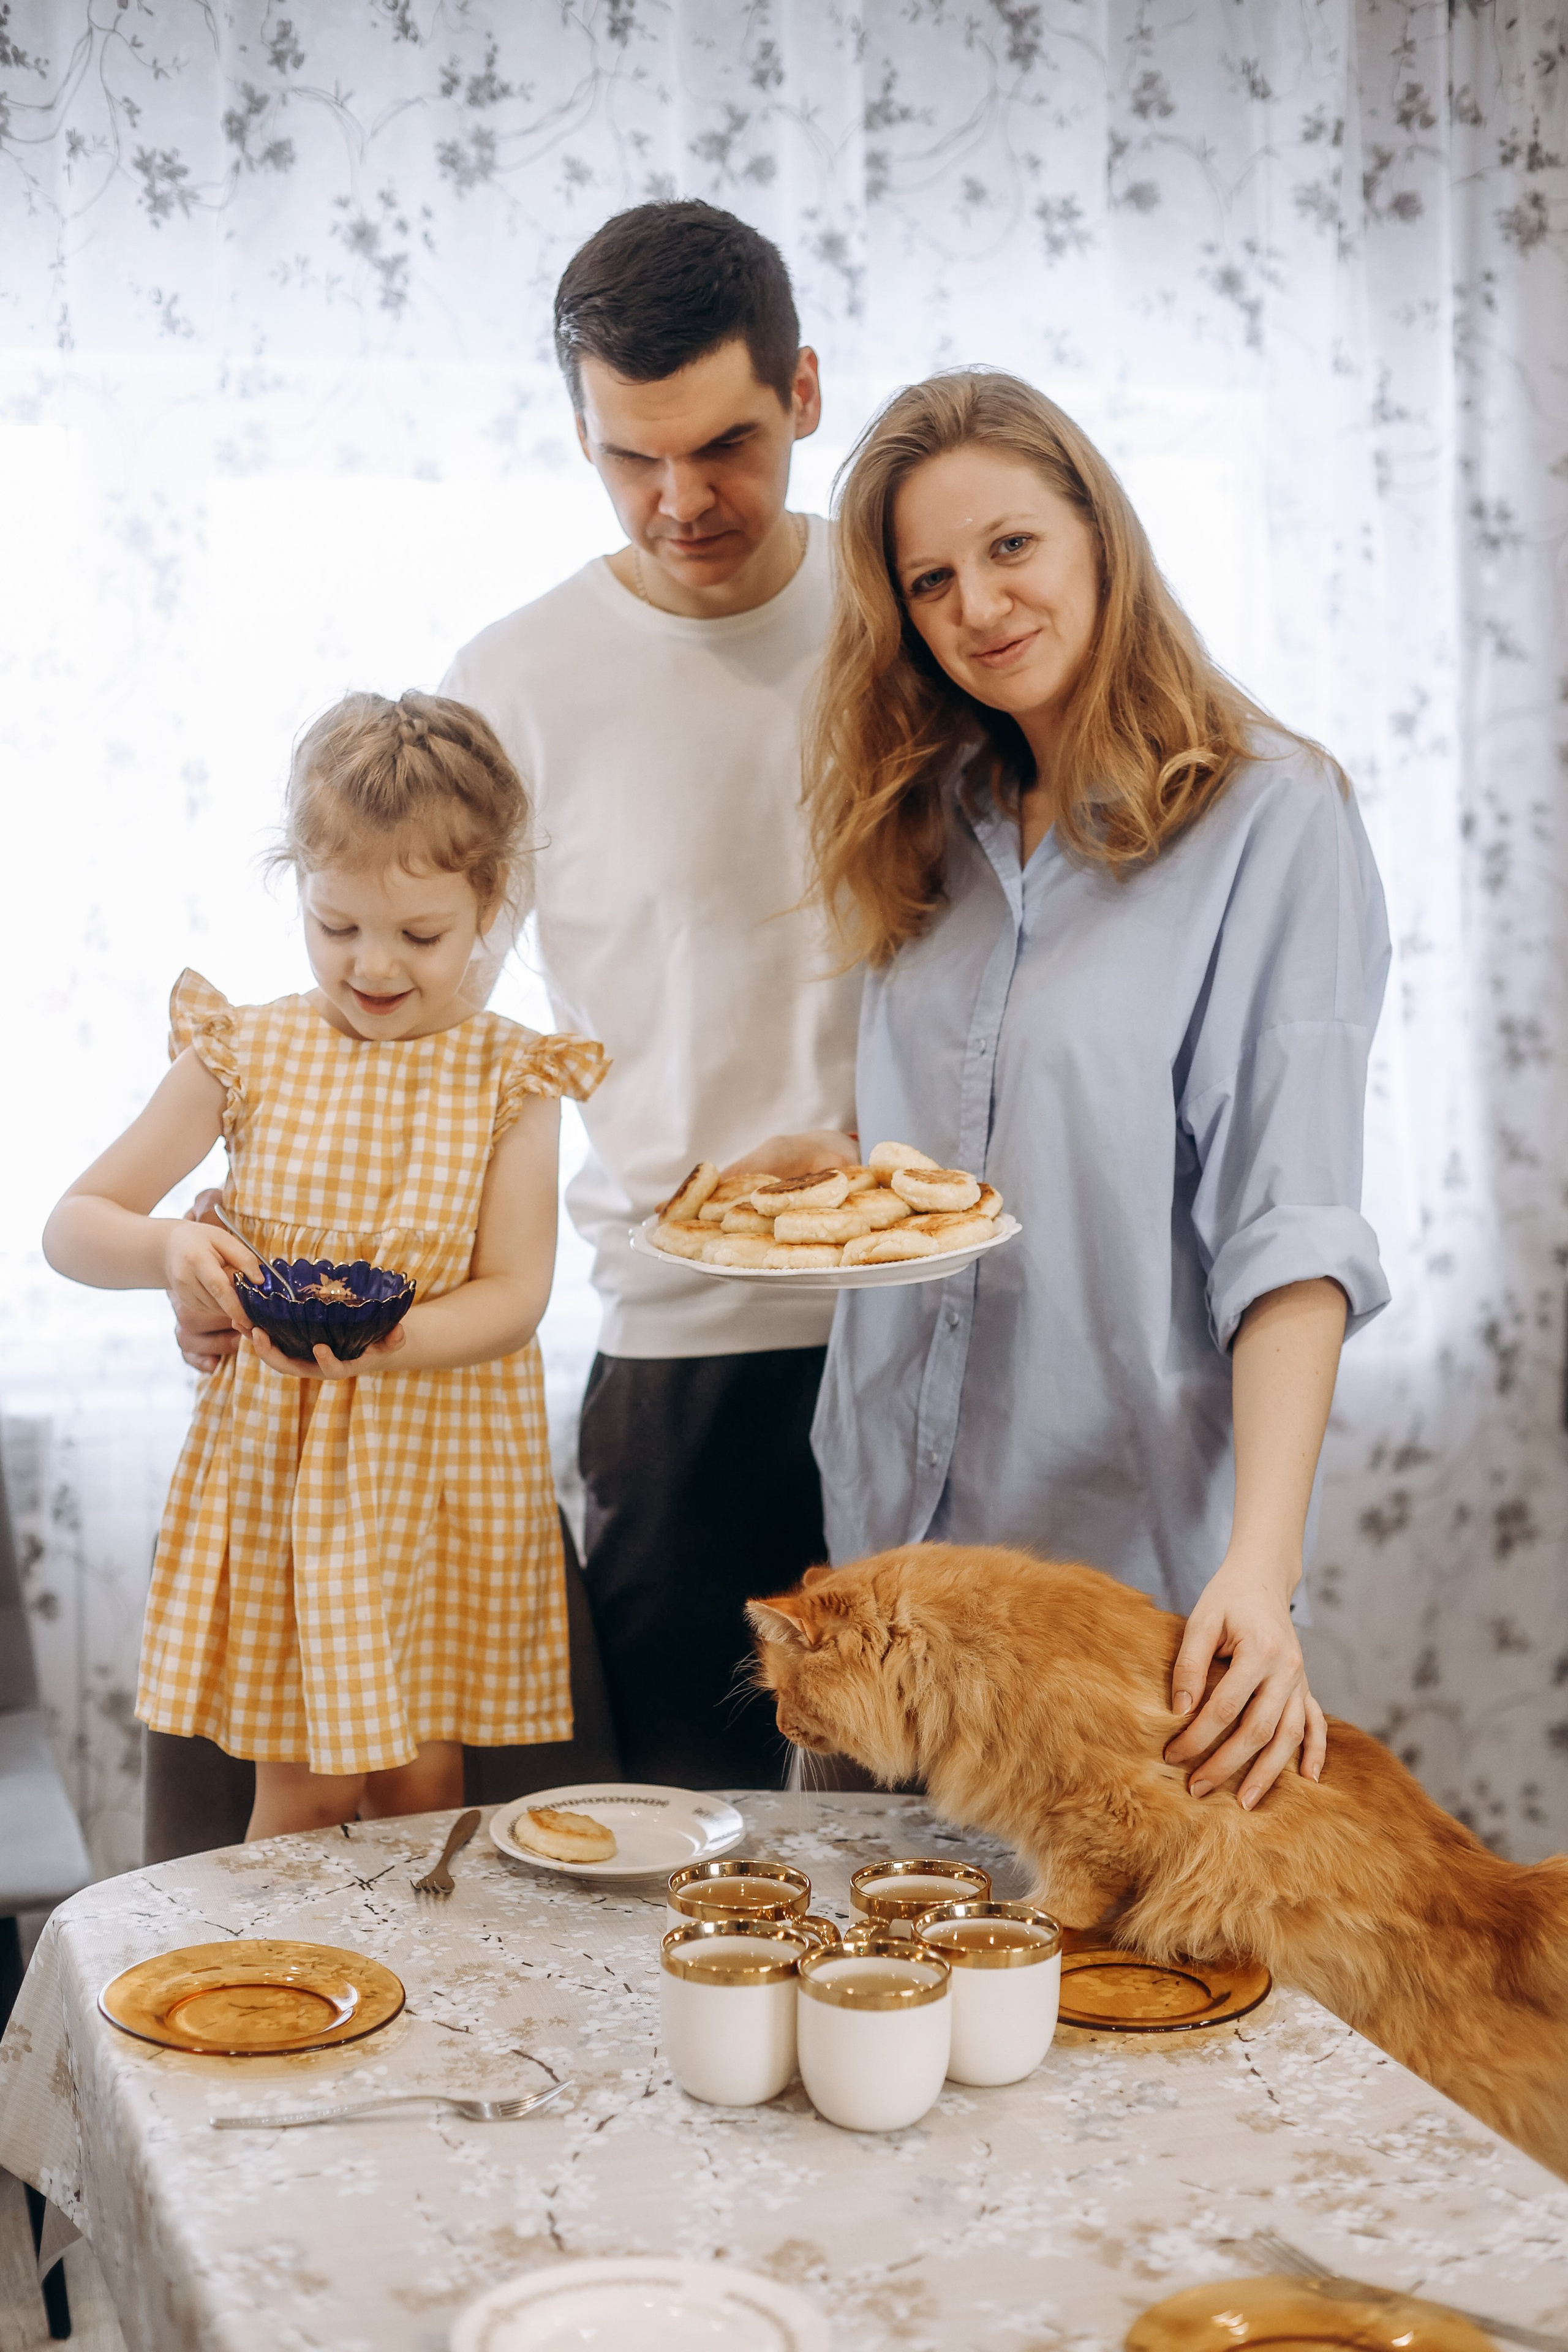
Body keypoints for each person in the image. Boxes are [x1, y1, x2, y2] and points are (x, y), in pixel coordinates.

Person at [175, 202, 860, 1790]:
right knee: (683, 1864)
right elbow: (405, 998)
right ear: (579, 433)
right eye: (630, 457)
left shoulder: (915, 619)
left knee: (953, 1862)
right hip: (682, 1349)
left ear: (807, 391)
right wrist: (246, 1211)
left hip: (955, 1334)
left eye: (727, 446)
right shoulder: (520, 676)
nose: (681, 500)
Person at [797, 371, 1391, 1810]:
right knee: (859, 1999)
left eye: (1010, 547)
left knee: (1107, 2014)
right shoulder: (920, 823)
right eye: (930, 580)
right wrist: (824, 1172)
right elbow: (936, 1165)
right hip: (887, 1576)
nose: (978, 607)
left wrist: (1258, 1569)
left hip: (1109, 1578)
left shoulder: (1271, 817)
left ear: (1096, 535)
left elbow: (1290, 1228)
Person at [45, 693, 607, 1838]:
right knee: (301, 1794)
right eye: (337, 925)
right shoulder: (246, 1050)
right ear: (297, 885)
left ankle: (411, 2011)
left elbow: (514, 1296)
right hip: (288, 1487)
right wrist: (172, 1249)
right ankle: (285, 2001)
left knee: (423, 1792)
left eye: (420, 934)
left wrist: (384, 1344)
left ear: (490, 903)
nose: (374, 965)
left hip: (447, 1480)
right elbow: (76, 1223)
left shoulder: (514, 1077)